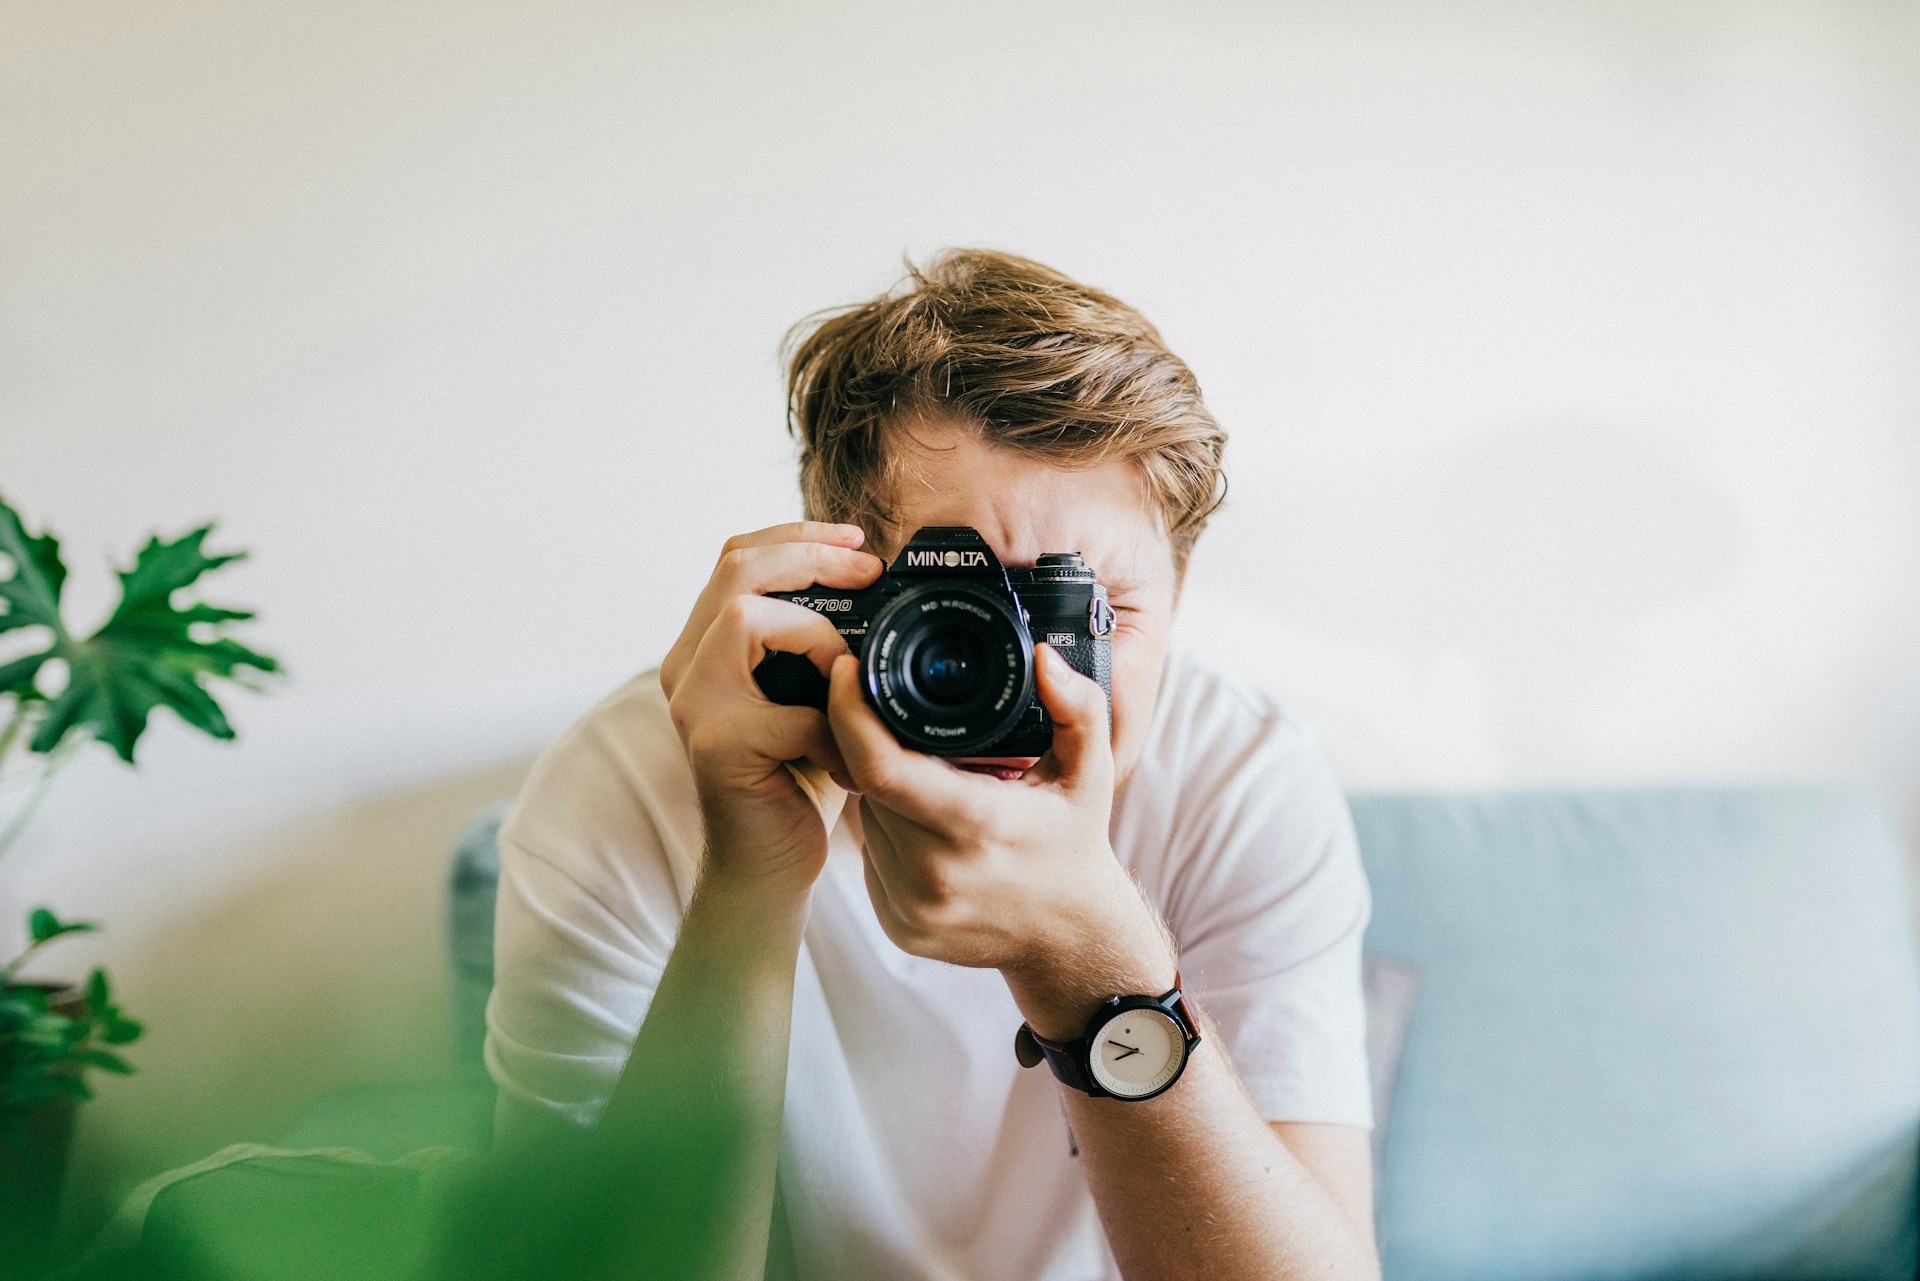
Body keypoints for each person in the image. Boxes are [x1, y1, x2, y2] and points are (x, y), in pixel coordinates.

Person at [483, 249, 1380, 1280]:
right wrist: (749, 879)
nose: (1033, 679)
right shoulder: (633, 784)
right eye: (970, 610)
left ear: (1179, 606)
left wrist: (1093, 959)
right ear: (840, 583)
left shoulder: (1240, 782)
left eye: (1091, 613)